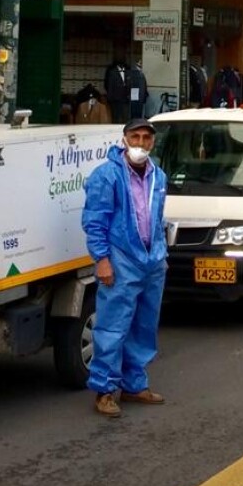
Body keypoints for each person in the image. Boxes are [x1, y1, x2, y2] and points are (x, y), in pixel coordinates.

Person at [82, 118, 168, 417]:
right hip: (121, 259)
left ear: (153, 142)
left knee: (144, 326)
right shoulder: (106, 176)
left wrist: (160, 253)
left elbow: (156, 218)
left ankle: (134, 385)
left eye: (146, 137)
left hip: (152, 260)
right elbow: (95, 221)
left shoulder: (159, 176)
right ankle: (104, 389)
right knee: (113, 326)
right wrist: (102, 259)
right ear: (124, 139)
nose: (141, 143)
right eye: (135, 136)